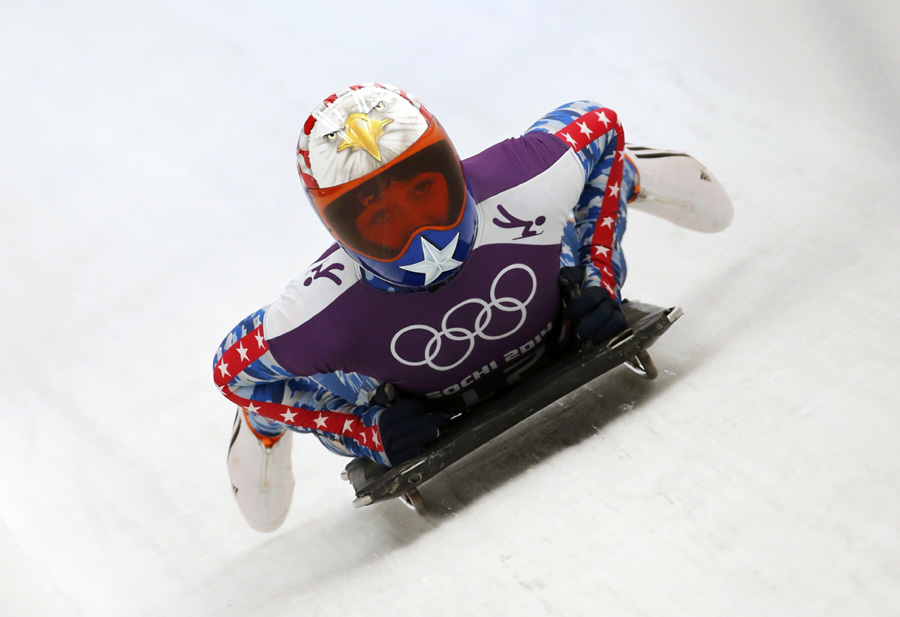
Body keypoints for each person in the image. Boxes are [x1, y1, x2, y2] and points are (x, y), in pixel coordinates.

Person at [214, 83, 732, 531]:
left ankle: (629, 175)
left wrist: (598, 276)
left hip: (546, 298)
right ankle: (264, 425)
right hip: (404, 391)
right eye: (382, 218)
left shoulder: (525, 178)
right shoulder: (320, 310)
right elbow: (235, 372)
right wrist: (362, 427)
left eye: (424, 189)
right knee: (315, 380)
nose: (423, 237)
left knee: (569, 217)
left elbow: (601, 127)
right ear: (339, 230)